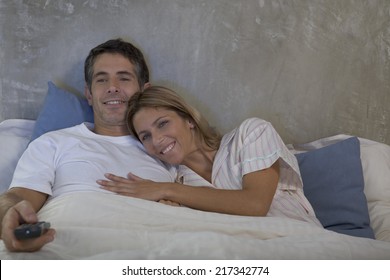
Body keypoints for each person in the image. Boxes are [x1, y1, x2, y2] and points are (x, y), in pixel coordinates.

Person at [0, 39, 175, 252]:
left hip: (155, 248)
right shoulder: (52, 143)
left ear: (145, 91)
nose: (112, 88)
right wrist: (8, 214)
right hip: (70, 248)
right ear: (89, 95)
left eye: (124, 78)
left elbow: (199, 198)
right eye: (101, 80)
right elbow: (18, 197)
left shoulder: (167, 149)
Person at [98, 86, 321, 226]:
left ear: (189, 120)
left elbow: (255, 205)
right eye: (145, 136)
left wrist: (168, 190)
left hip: (304, 244)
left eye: (163, 123)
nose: (156, 140)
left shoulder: (251, 133)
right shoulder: (178, 180)